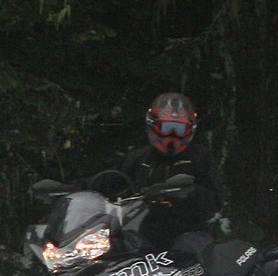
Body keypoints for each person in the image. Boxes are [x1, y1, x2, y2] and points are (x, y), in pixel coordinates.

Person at [83, 92, 229, 254]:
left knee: (194, 250)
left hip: (187, 231)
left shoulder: (200, 157)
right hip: (140, 231)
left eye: (179, 129)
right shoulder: (140, 158)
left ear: (190, 130)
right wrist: (70, 189)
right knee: (104, 251)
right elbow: (108, 180)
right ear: (153, 127)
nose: (172, 135)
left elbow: (216, 199)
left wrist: (189, 192)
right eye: (166, 128)